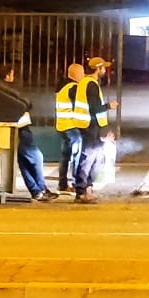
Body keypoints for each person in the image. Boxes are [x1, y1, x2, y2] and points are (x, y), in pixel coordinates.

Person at [0, 63, 51, 200]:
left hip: (16, 129)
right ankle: (40, 189)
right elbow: (27, 104)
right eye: (12, 74)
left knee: (24, 161)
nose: (13, 77)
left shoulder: (0, 91)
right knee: (36, 158)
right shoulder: (8, 91)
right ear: (7, 75)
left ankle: (37, 191)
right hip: (21, 129)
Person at [73, 57, 111, 201]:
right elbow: (95, 108)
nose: (105, 70)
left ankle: (87, 188)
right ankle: (81, 191)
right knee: (88, 158)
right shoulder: (92, 85)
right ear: (98, 68)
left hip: (86, 125)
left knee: (91, 158)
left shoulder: (84, 82)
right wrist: (109, 106)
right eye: (103, 68)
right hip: (90, 126)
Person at [54, 61, 90, 198]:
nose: (84, 75)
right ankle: (76, 184)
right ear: (76, 74)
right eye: (82, 72)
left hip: (62, 126)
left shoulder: (63, 86)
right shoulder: (73, 88)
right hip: (71, 127)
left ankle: (62, 184)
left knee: (65, 156)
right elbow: (81, 106)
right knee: (76, 156)